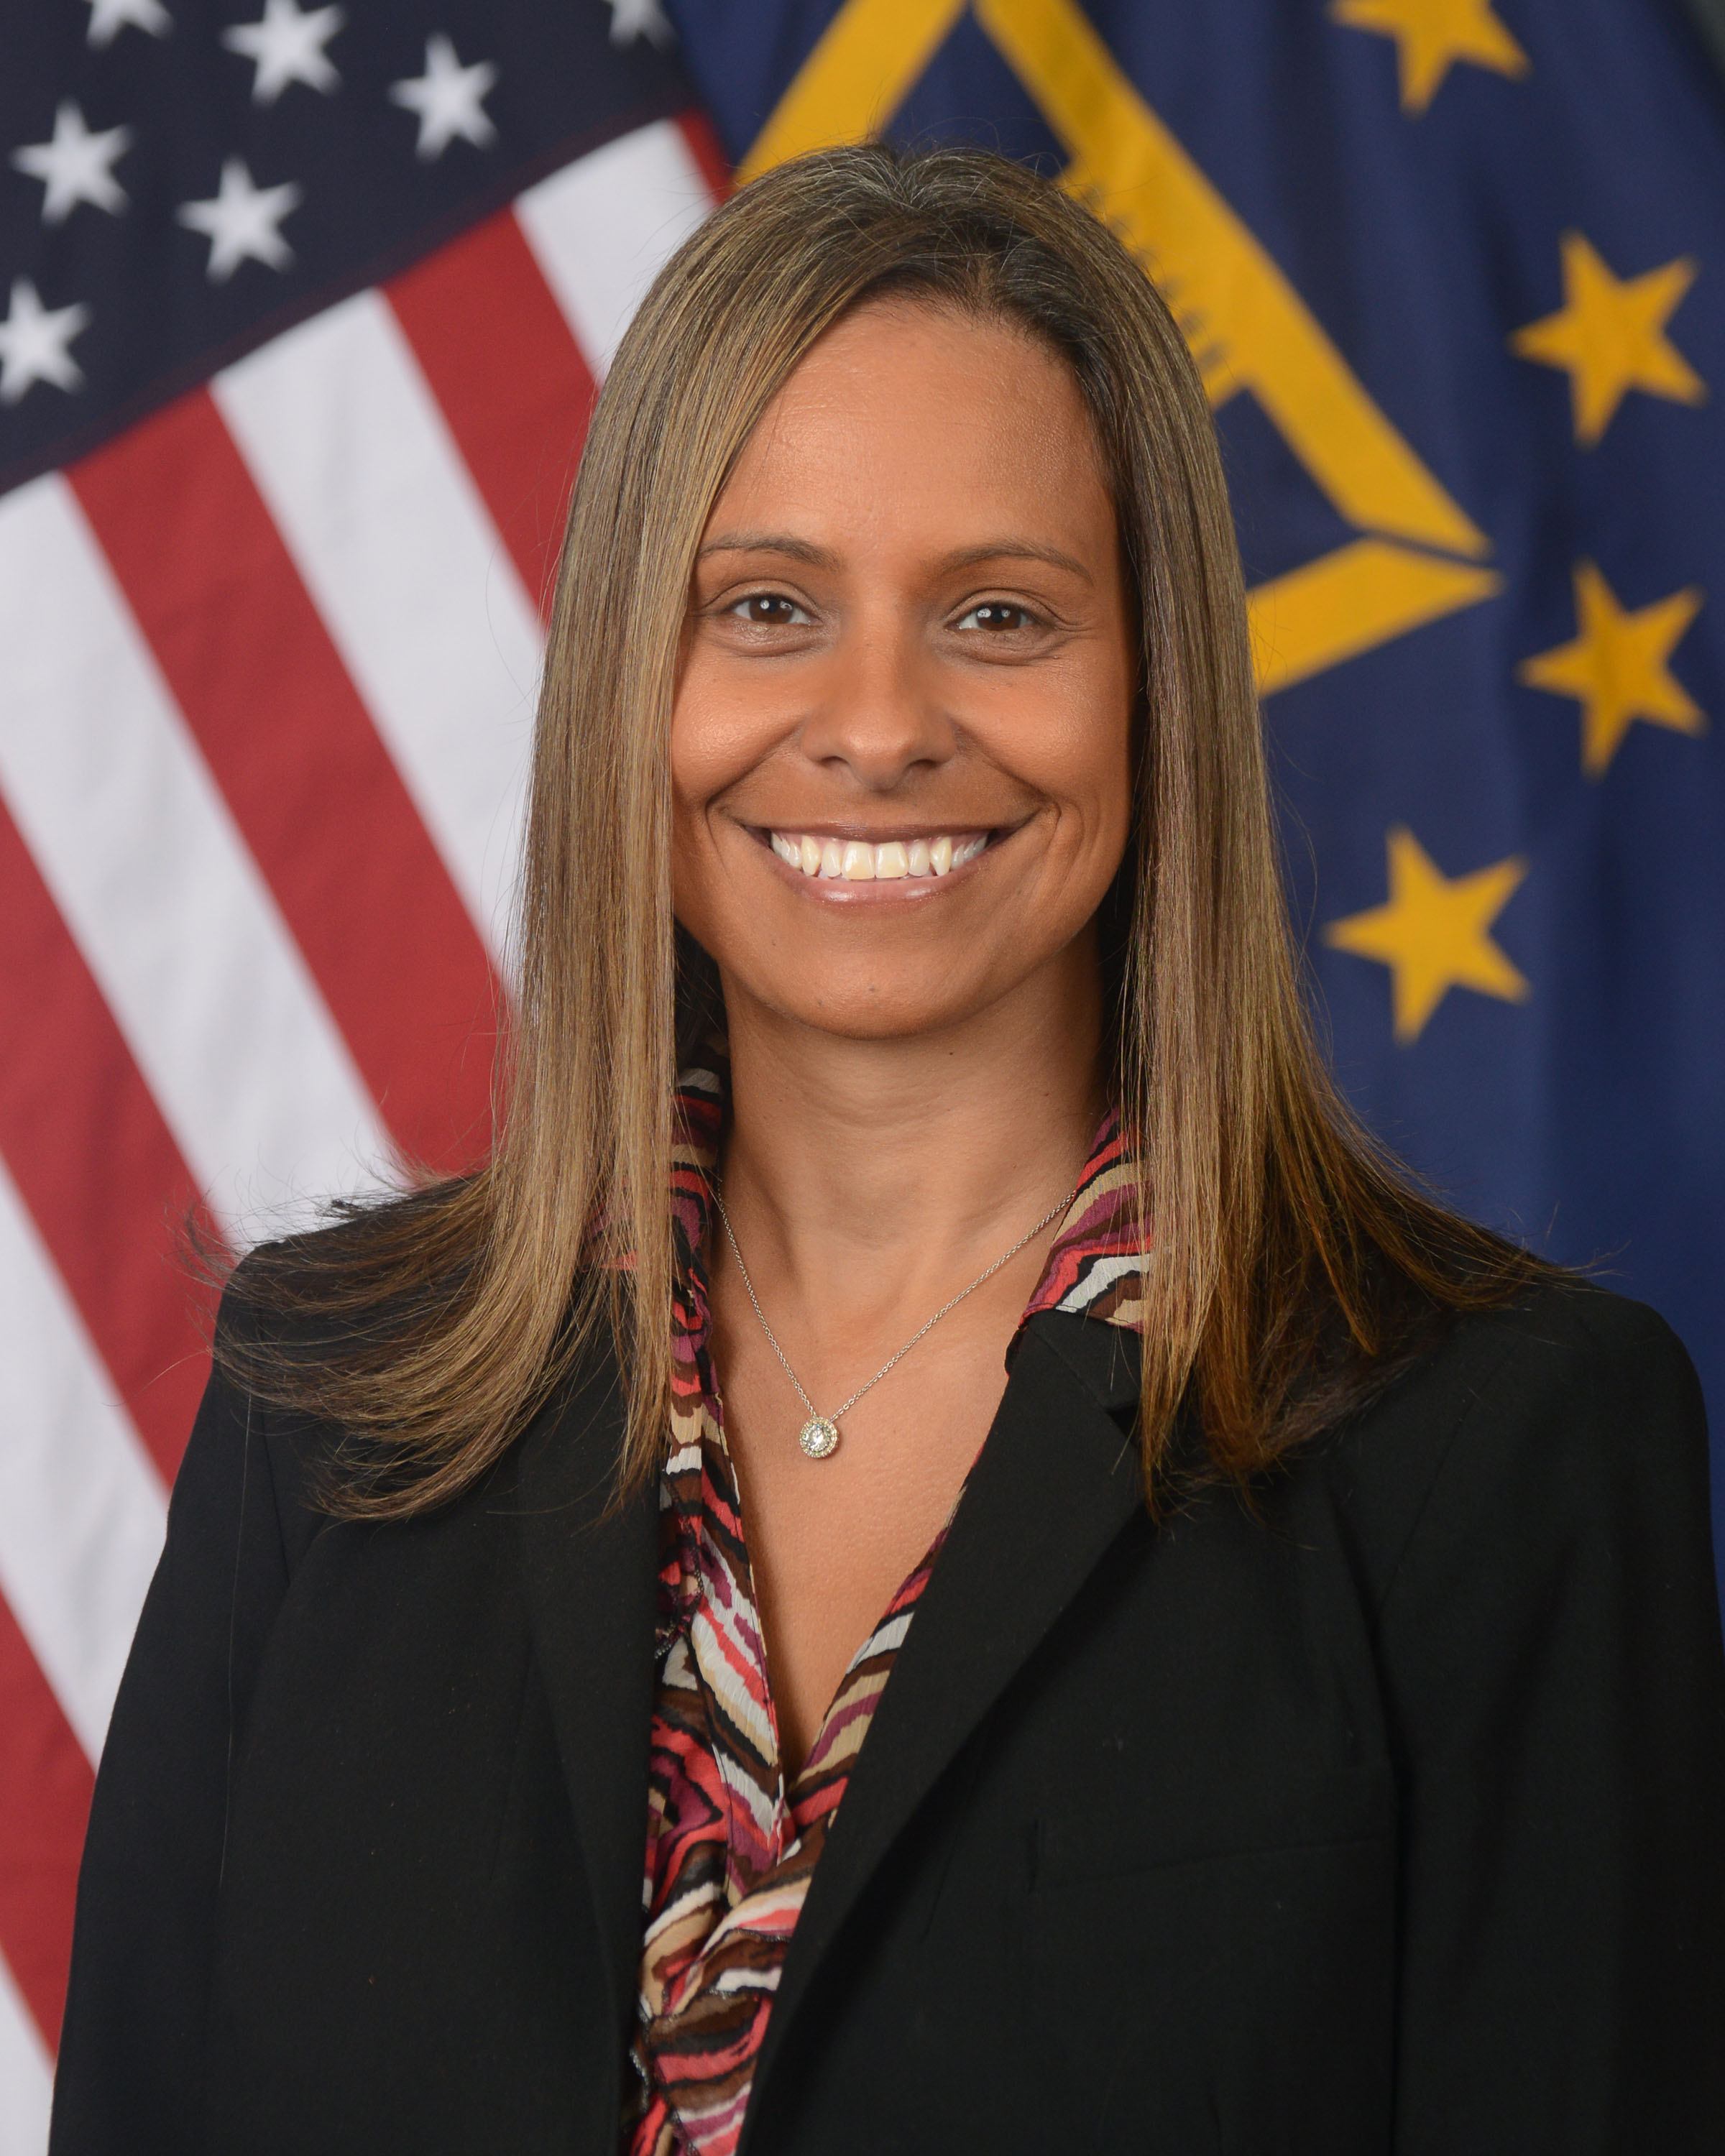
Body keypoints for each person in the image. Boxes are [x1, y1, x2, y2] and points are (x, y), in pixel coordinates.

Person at [50, 144, 1725, 2156]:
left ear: (1153, 694)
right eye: (765, 606)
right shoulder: (328, 1409)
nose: (874, 722)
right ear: (625, 690)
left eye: (1000, 615)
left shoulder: (1504, 1449)